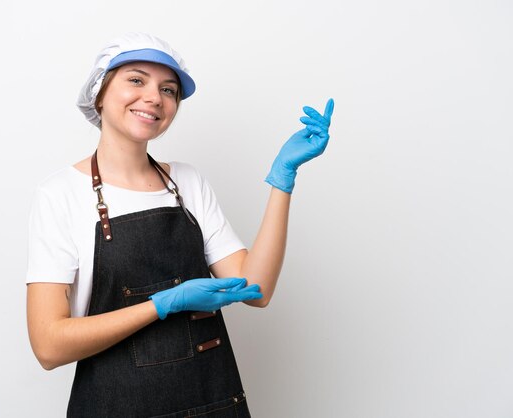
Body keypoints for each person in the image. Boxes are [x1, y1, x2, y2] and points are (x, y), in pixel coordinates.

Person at [26, 32, 333, 418]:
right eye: (136, 80)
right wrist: (162, 305)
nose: (155, 97)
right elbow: (49, 346)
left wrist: (282, 179)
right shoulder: (61, 194)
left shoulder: (187, 183)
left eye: (168, 90)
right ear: (99, 93)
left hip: (212, 404)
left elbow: (256, 289)